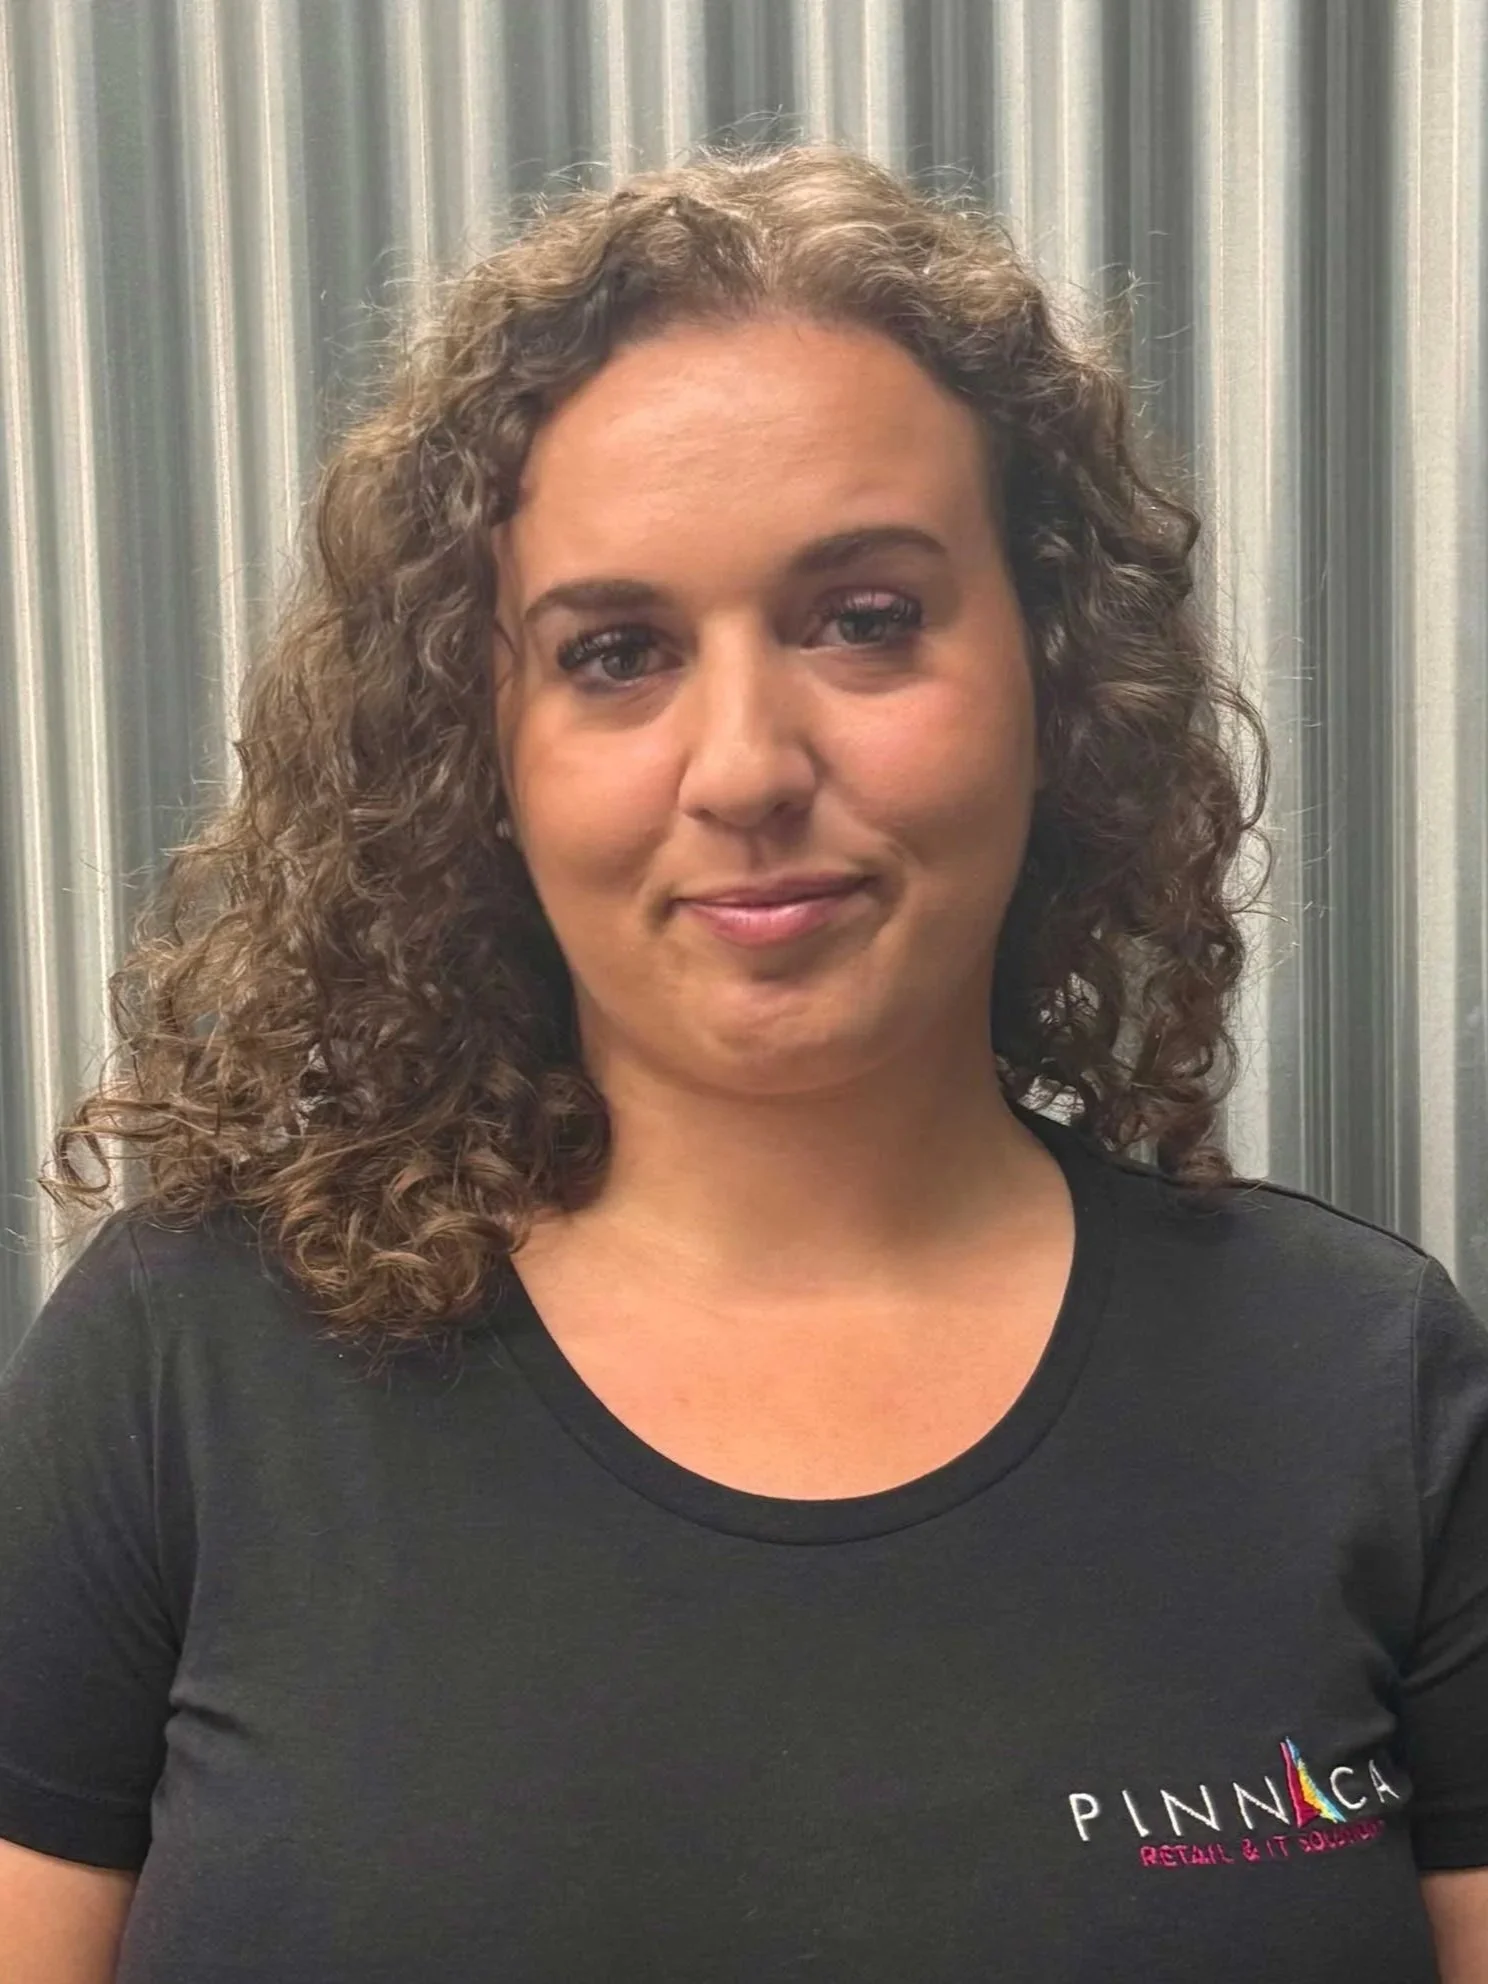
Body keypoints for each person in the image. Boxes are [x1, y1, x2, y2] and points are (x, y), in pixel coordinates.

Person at [1, 139, 1485, 1984]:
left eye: (865, 618)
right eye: (615, 652)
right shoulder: (182, 1377)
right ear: (486, 752)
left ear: (1054, 666)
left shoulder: (1361, 1383)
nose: (745, 767)